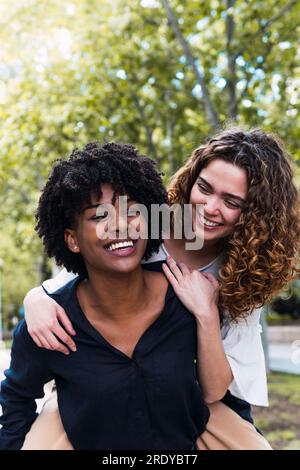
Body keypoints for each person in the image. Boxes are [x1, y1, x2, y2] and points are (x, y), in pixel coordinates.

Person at [22, 128, 300, 448]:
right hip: (101, 384)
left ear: (253, 214)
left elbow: (217, 390)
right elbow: (83, 269)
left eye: (231, 201)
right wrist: (36, 297)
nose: (209, 207)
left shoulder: (242, 273)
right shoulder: (149, 222)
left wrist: (206, 312)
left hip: (189, 393)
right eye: (205, 188)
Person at [0, 142, 210, 450]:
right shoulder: (49, 324)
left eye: (133, 211)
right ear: (72, 240)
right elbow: (16, 399)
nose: (121, 225)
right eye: (99, 216)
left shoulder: (186, 297)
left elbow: (224, 395)